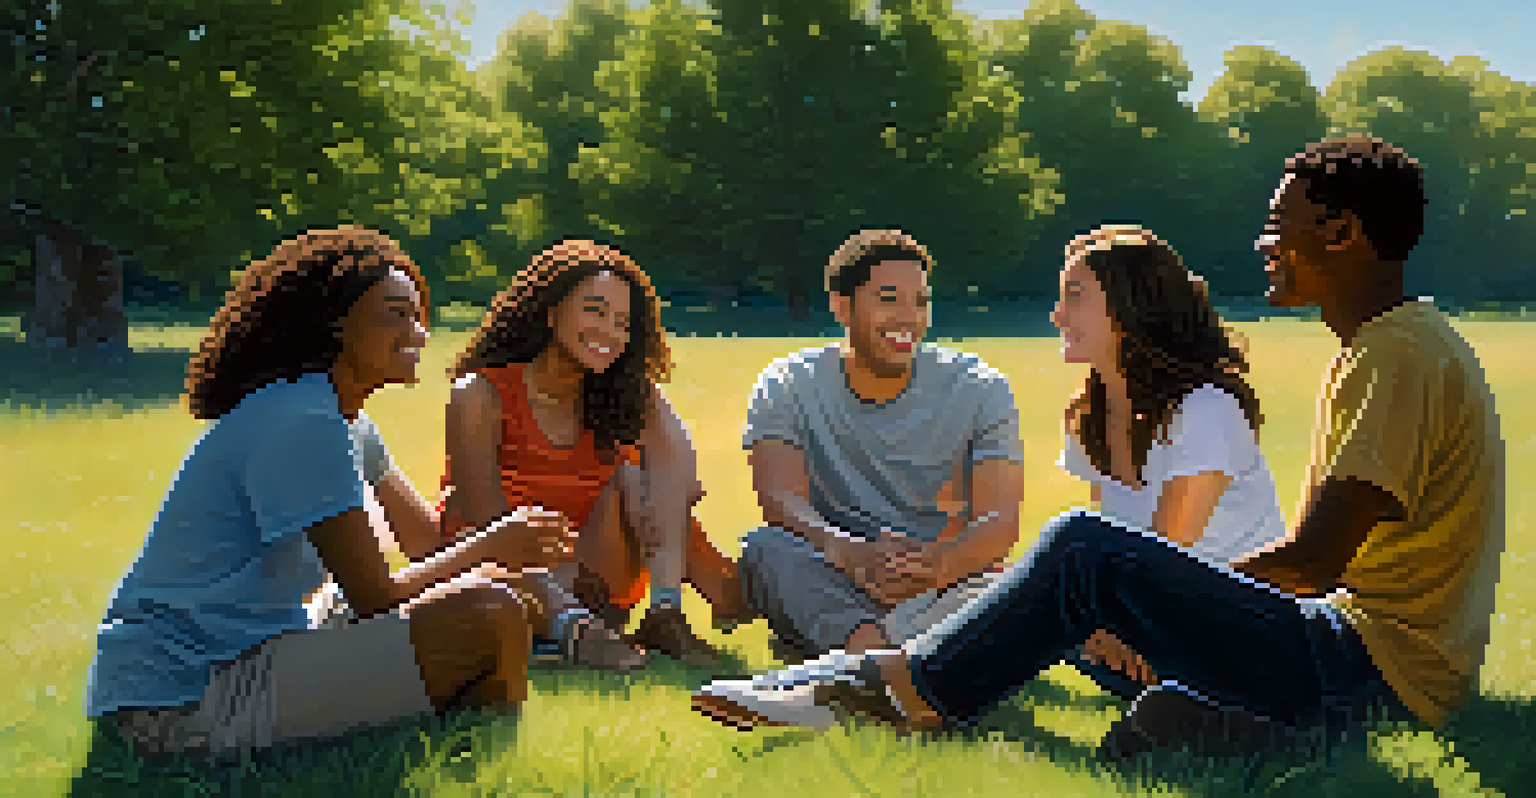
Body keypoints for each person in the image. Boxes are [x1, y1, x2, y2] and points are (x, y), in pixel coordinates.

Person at [694, 135, 1506, 762]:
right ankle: (1227, 726)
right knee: (1071, 615)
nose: (1263, 243)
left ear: (1339, 231)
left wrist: (1152, 600)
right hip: (1354, 662)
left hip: (1372, 670)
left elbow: (1317, 561)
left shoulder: (1399, 353)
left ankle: (893, 690)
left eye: (1276, 225)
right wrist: (1143, 615)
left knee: (1084, 553)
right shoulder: (1387, 346)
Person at [87, 227, 572, 759]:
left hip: (262, 645)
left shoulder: (346, 419)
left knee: (498, 591)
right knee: (490, 616)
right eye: (395, 313)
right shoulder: (303, 421)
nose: (417, 331)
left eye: (418, 315)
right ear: (335, 323)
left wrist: (498, 546)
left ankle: (454, 749)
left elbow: (428, 549)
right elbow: (375, 597)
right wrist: (493, 544)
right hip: (181, 697)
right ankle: (475, 763)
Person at [440, 239, 750, 670]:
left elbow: (681, 480)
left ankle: (667, 612)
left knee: (639, 481)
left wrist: (656, 496)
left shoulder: (628, 397)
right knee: (634, 484)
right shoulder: (480, 394)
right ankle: (582, 631)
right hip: (506, 579)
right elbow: (489, 529)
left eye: (622, 323)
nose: (609, 331)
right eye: (595, 310)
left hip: (596, 580)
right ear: (550, 313)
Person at [731, 229, 1026, 669]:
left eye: (920, 302)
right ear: (840, 305)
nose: (908, 317)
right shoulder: (788, 383)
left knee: (1012, 579)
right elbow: (780, 500)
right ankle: (889, 655)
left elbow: (999, 523)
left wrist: (938, 565)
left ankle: (859, 655)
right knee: (764, 548)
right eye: (888, 299)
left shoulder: (980, 388)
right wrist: (849, 552)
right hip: (836, 571)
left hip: (940, 578)